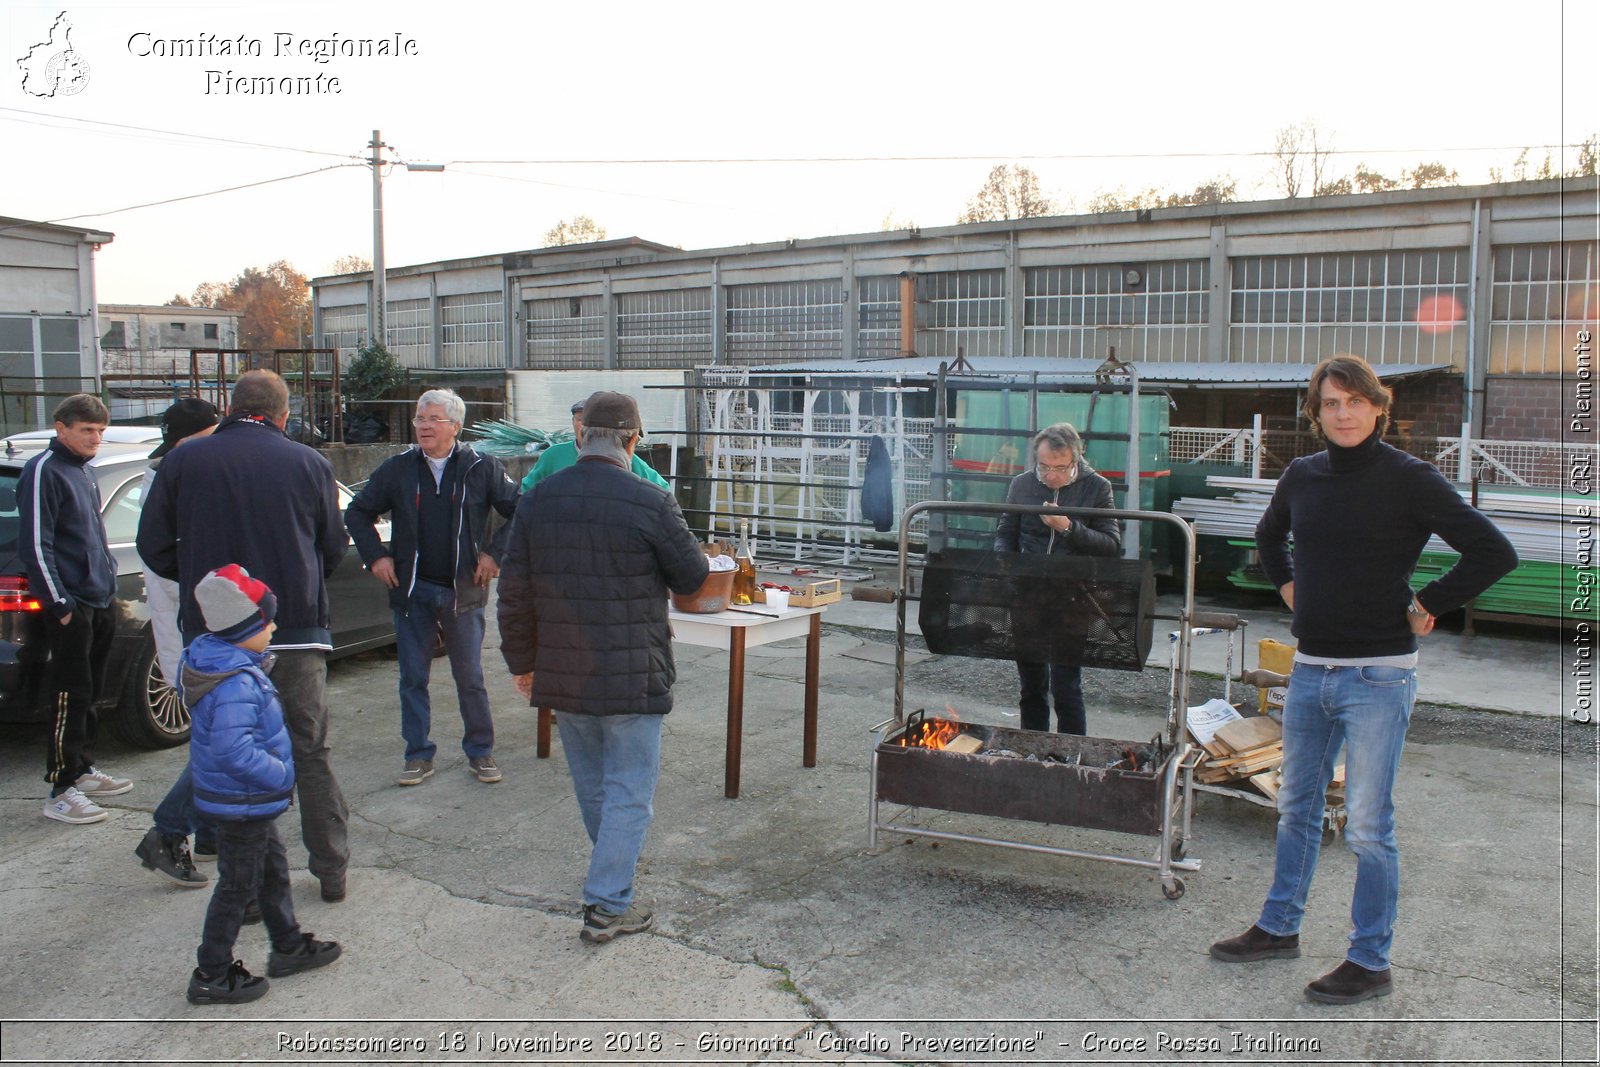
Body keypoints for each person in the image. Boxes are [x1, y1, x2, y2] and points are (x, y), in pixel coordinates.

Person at [1209, 354, 1517, 1005]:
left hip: (1379, 676)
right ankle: (1278, 927)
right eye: (1330, 403)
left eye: (1354, 401)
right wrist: (1291, 587)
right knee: (1296, 807)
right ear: (1316, 413)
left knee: (1369, 825)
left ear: (1378, 407)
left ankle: (1370, 960)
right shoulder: (1302, 474)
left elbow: (1494, 549)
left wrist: (1428, 599)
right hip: (1312, 670)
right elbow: (1269, 538)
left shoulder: (1410, 478)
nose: (1342, 413)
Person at [497, 391, 708, 944]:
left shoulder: (538, 499)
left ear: (578, 436)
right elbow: (691, 578)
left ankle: (608, 882)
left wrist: (522, 663)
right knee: (629, 792)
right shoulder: (651, 500)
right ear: (634, 442)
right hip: (632, 671)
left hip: (564, 672)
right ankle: (609, 903)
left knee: (595, 787)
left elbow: (513, 593)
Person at [137, 370, 353, 905]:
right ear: (284, 415)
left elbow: (152, 544)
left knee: (230, 750)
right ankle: (331, 869)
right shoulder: (310, 463)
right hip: (294, 631)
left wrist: (205, 590)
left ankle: (252, 883)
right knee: (310, 750)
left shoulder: (184, 461)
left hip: (216, 637)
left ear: (230, 407)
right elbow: (331, 547)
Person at [345, 388, 520, 787]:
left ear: (455, 426)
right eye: (420, 419)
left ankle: (480, 750)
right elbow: (357, 511)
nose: (423, 426)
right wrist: (377, 556)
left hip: (463, 592)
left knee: (470, 677)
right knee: (412, 677)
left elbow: (522, 509)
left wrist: (495, 554)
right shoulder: (398, 469)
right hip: (413, 592)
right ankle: (418, 754)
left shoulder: (481, 468)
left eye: (433, 419)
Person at [183, 565, 341, 1005]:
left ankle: (287, 945)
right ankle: (211, 971)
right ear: (243, 628)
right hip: (242, 800)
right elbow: (234, 751)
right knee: (236, 886)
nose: (274, 626)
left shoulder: (232, 663)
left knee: (272, 871)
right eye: (266, 620)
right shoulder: (235, 682)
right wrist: (281, 774)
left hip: (246, 801)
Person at [21, 393, 130, 825]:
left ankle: (82, 769)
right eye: (87, 430)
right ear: (61, 427)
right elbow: (36, 541)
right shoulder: (43, 470)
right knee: (69, 691)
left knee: (91, 689)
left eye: (100, 431)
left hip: (99, 596)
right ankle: (61, 787)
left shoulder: (83, 472)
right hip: (72, 603)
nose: (95, 438)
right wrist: (60, 602)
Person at [132, 397, 220, 887]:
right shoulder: (172, 478)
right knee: (217, 742)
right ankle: (168, 831)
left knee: (214, 735)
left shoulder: (171, 473)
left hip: (194, 630)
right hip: (198, 633)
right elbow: (165, 562)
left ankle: (209, 831)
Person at [993, 422, 1121, 735]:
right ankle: (1032, 745)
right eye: (1044, 467)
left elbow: (1111, 545)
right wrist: (1007, 570)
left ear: (1075, 462)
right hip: (1028, 593)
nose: (1050, 476)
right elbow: (1006, 532)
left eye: (1059, 468)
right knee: (1032, 686)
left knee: (1066, 685)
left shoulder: (1097, 487)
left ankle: (1072, 751)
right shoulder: (1022, 485)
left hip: (1073, 595)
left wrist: (1068, 527)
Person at [519, 396, 670, 492]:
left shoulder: (632, 462)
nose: (584, 426)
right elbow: (525, 492)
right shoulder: (553, 456)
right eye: (579, 419)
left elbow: (663, 490)